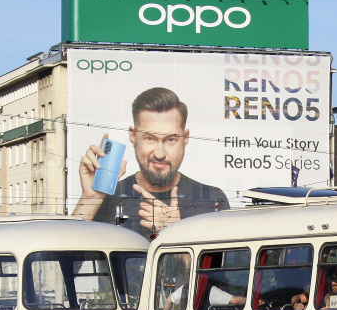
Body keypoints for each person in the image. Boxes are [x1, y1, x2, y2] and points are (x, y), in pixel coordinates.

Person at [74, 87, 228, 236]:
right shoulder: (104, 198)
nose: (160, 154)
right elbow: (67, 258)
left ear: (185, 138)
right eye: (150, 138)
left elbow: (226, 263)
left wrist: (176, 233)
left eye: (171, 139)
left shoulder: (212, 200)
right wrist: (90, 199)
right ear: (133, 136)